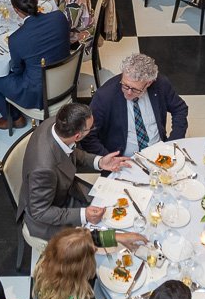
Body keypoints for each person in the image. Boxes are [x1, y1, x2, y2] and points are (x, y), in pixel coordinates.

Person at [19, 103, 131, 241]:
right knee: (99, 238)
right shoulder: (44, 170)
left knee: (110, 204)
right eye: (90, 129)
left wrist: (99, 162)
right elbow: (40, 212)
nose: (91, 130)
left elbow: (70, 150)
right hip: (47, 218)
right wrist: (84, 215)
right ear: (77, 136)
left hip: (64, 190)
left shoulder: (56, 123)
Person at [0, 0, 73, 129]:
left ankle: (14, 119)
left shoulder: (16, 39)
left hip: (38, 93)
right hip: (66, 77)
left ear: (16, 10)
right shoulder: (59, 17)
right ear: (37, 1)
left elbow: (17, 70)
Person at [80, 53, 190, 157]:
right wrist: (108, 158)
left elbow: (180, 109)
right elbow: (88, 135)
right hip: (123, 158)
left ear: (149, 83)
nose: (128, 92)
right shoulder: (105, 96)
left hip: (158, 151)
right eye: (125, 85)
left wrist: (174, 141)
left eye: (135, 89)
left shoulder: (161, 84)